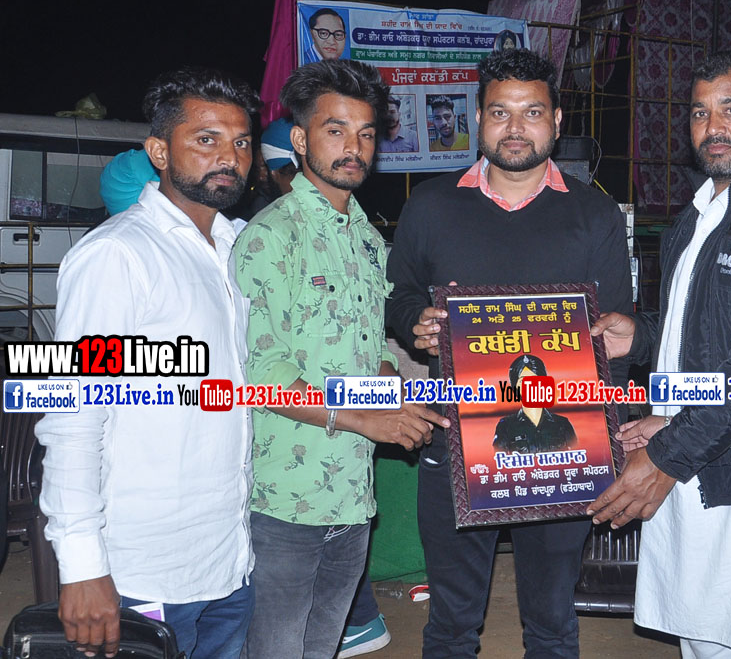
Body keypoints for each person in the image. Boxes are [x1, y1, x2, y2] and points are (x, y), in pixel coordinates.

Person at [387, 48, 633, 657]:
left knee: (553, 624)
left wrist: (610, 431)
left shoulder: (594, 212)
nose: (515, 128)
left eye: (532, 112)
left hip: (563, 451)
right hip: (454, 437)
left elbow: (617, 331)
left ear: (556, 120)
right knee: (451, 625)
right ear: (478, 118)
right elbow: (400, 294)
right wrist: (415, 320)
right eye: (500, 112)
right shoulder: (431, 205)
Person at [588, 49, 731, 659]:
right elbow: (702, 326)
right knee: (702, 637)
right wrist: (640, 336)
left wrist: (669, 452)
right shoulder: (696, 214)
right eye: (699, 113)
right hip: (691, 445)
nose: (712, 127)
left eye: (730, 110)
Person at [37, 68, 262, 659]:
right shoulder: (118, 255)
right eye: (206, 139)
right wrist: (81, 566)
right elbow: (72, 415)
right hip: (143, 571)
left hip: (230, 561)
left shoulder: (237, 251)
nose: (230, 157)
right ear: (159, 152)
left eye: (241, 142)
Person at [235, 59, 448, 659]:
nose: (353, 147)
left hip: (353, 492)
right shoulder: (270, 237)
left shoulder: (368, 240)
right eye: (335, 130)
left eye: (365, 133)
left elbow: (373, 346)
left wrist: (391, 389)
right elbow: (262, 373)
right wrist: (366, 418)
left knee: (324, 645)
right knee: (277, 649)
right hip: (284, 496)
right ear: (301, 140)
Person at [492, 355, 578, 453]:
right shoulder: (505, 426)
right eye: (523, 381)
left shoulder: (562, 424)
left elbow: (578, 456)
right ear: (515, 387)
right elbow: (498, 458)